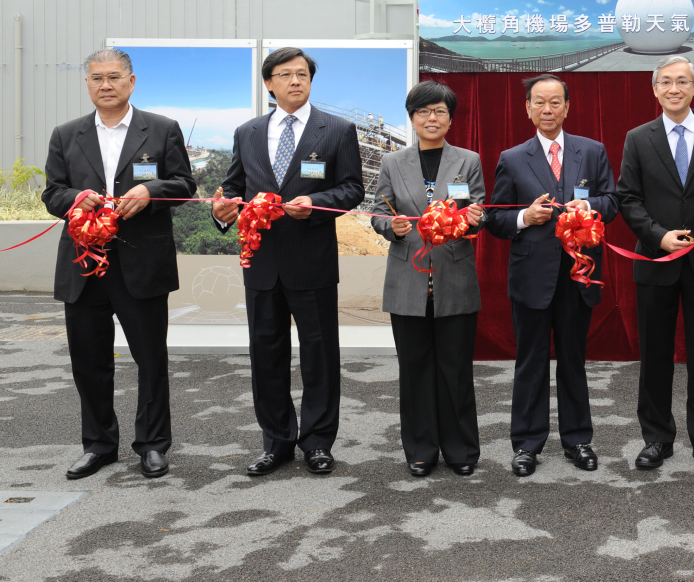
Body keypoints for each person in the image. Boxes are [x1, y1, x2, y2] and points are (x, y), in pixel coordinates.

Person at [41, 48, 195, 480]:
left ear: (131, 81)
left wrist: (152, 192)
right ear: (87, 84)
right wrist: (74, 199)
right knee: (89, 360)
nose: (104, 85)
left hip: (141, 262)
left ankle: (152, 445)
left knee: (150, 359)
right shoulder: (66, 133)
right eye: (96, 78)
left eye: (113, 77)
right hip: (84, 265)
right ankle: (99, 444)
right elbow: (52, 193)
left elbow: (185, 184)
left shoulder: (161, 129)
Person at [212, 47, 364, 476]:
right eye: (285, 74)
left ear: (311, 80)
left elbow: (351, 189)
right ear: (269, 84)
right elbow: (232, 189)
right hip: (260, 261)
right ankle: (275, 442)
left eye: (302, 74)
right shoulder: (247, 132)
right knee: (266, 354)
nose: (295, 80)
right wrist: (221, 212)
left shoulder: (336, 129)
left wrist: (315, 203)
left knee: (319, 354)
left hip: (311, 258)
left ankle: (317, 442)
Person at [485, 75, 619, 477]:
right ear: (527, 108)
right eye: (539, 102)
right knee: (530, 361)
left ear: (567, 107)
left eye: (555, 102)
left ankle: (578, 440)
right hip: (531, 275)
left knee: (574, 360)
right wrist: (526, 216)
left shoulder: (592, 152)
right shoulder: (512, 157)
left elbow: (611, 202)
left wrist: (585, 210)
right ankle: (527, 444)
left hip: (579, 273)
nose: (547, 109)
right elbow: (495, 215)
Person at [616, 55, 694, 473]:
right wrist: (658, 235)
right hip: (656, 261)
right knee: (655, 354)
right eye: (666, 82)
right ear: (655, 89)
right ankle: (656, 438)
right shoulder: (638, 137)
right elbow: (628, 199)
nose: (674, 88)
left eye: (682, 82)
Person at [371, 81, 486, 477]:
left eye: (439, 111)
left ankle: (461, 450)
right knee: (415, 368)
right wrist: (392, 226)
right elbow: (376, 211)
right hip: (407, 278)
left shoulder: (467, 160)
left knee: (455, 369)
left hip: (454, 275)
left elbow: (480, 208)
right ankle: (420, 449)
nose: (431, 118)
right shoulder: (392, 163)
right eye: (423, 112)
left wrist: (475, 219)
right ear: (413, 118)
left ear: (451, 118)